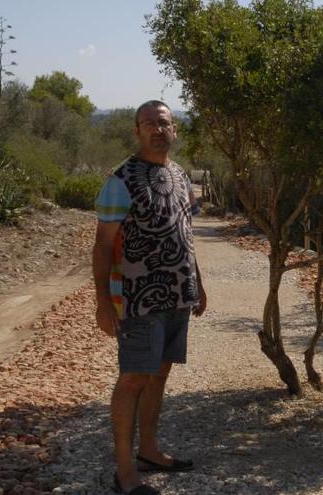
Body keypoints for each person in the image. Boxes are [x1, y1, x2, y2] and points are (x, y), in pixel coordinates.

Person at [93, 100, 207, 495]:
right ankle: (125, 473)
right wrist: (102, 302)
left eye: (164, 123)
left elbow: (185, 235)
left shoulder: (179, 176)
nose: (158, 130)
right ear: (137, 131)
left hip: (178, 295)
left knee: (160, 373)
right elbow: (103, 246)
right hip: (137, 299)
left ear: (175, 130)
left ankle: (150, 450)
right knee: (133, 378)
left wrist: (199, 283)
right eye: (149, 124)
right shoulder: (120, 180)